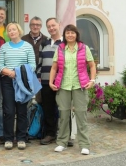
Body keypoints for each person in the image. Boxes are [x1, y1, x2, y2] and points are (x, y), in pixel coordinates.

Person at [49, 24, 96, 155]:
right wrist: (51, 82)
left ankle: (84, 144)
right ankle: (62, 142)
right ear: (64, 35)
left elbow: (92, 66)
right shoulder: (60, 48)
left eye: (72, 33)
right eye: (67, 33)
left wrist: (92, 80)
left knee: (81, 115)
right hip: (63, 86)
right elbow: (54, 67)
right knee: (63, 116)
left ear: (76, 35)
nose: (70, 35)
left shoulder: (84, 48)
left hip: (80, 86)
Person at [0, 22, 36, 150]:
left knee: (22, 111)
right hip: (8, 81)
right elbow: (0, 66)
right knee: (8, 111)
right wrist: (10, 73)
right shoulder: (4, 47)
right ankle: (8, 138)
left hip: (23, 82)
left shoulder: (27, 46)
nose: (11, 32)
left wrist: (18, 73)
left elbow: (32, 65)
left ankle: (21, 138)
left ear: (19, 31)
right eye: (9, 30)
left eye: (14, 30)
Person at [37, 18, 63, 145]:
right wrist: (38, 76)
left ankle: (65, 135)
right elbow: (40, 62)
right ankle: (50, 134)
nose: (51, 28)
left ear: (59, 25)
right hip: (46, 81)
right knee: (48, 108)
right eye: (48, 26)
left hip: (62, 82)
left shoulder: (65, 42)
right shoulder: (44, 42)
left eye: (53, 25)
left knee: (64, 109)